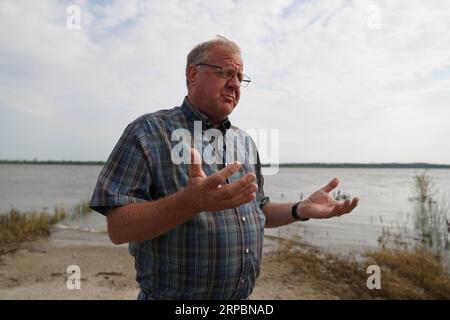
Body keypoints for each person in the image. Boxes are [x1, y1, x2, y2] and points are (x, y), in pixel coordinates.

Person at [90, 35, 359, 300]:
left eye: (240, 78)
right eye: (225, 72)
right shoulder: (148, 132)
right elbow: (118, 228)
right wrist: (190, 202)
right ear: (193, 74)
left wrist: (299, 209)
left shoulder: (244, 141)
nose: (234, 84)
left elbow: (259, 209)